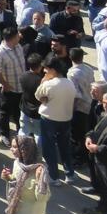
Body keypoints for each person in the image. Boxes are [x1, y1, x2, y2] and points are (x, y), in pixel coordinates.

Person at [34, 57, 76, 185]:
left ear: (53, 70)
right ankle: (70, 174)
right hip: (66, 119)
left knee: (49, 148)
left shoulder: (48, 84)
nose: (44, 71)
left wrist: (43, 81)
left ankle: (53, 176)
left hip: (49, 119)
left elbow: (38, 96)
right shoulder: (69, 83)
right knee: (65, 146)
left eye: (46, 69)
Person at [1, 135, 50, 214]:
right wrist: (7, 177)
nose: (11, 149)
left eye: (15, 147)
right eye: (11, 146)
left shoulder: (40, 170)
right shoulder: (17, 163)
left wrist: (39, 179)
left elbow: (43, 197)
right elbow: (15, 181)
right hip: (17, 210)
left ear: (25, 149)